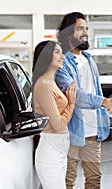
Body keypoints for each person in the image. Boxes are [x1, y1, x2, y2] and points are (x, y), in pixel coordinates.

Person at [55, 12, 112, 189]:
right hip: (71, 131)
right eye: (80, 28)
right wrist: (106, 102)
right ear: (67, 33)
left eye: (86, 28)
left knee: (94, 179)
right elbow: (75, 95)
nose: (85, 32)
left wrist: (110, 103)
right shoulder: (61, 62)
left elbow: (95, 91)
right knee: (67, 181)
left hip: (93, 130)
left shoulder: (89, 60)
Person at [32, 40, 77, 189]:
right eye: (57, 52)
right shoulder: (44, 85)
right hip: (50, 156)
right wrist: (71, 103)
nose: (62, 56)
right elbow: (58, 125)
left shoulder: (51, 83)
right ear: (46, 57)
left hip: (59, 153)